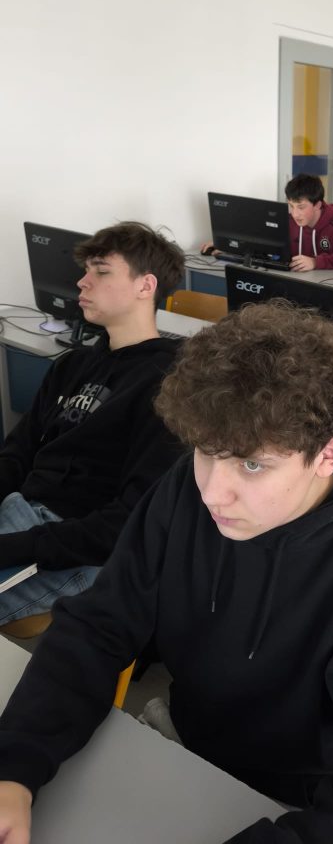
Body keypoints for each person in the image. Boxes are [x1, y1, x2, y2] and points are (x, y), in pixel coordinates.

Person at [0, 302, 333, 844]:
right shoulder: (184, 490)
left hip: (302, 799)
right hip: (185, 748)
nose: (212, 492)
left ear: (327, 455)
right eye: (204, 453)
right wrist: (14, 764)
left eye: (252, 465)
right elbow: (97, 627)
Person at [0, 222, 185, 627]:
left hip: (79, 547)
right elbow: (17, 453)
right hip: (21, 516)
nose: (82, 282)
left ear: (145, 286)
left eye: (101, 271)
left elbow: (130, 521)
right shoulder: (73, 364)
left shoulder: (169, 384)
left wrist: (14, 547)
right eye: (86, 270)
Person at [285, 173, 333, 271]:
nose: (295, 214)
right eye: (291, 206)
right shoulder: (288, 221)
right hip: (293, 277)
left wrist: (316, 262)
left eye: (301, 207)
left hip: (328, 279)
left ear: (317, 205)